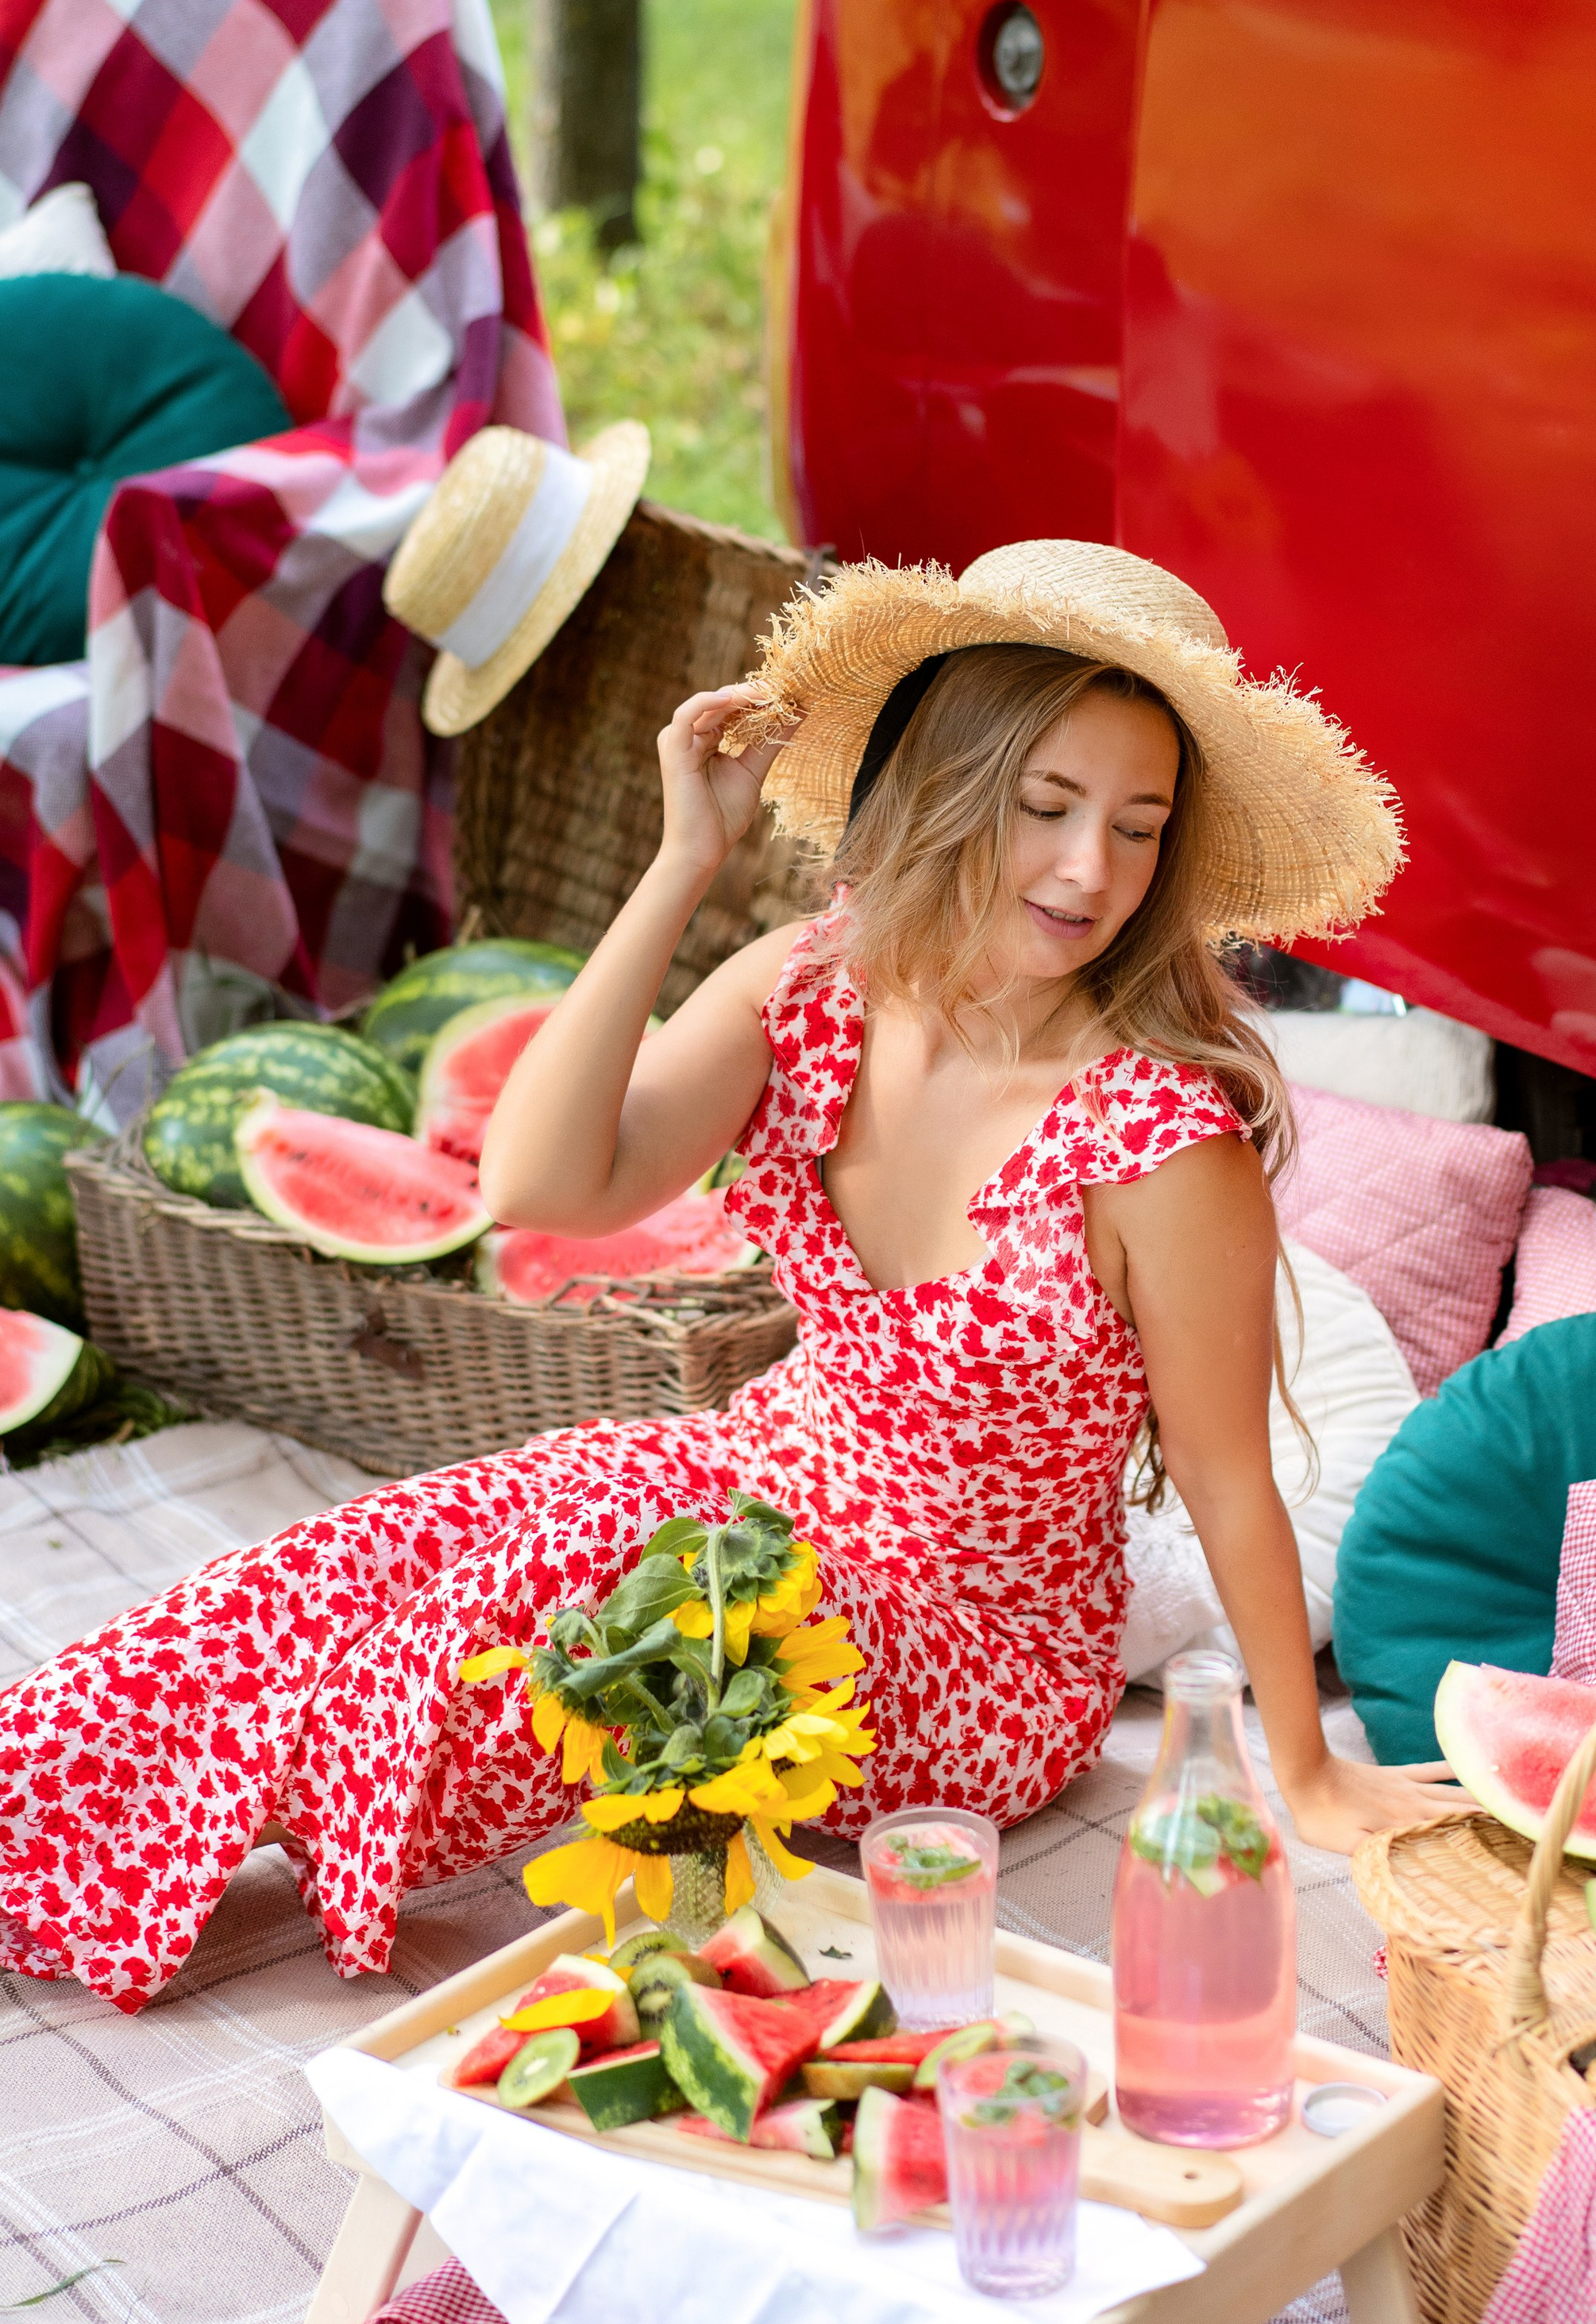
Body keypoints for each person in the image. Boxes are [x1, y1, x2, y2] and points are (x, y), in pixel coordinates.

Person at [0, 540, 1466, 2013]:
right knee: (387, 1549)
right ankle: (40, 1785)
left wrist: (1306, 1768)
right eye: (1046, 806)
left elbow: (1224, 1479)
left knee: (545, 1600)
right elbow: (540, 1185)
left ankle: (149, 1833)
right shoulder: (812, 986)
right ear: (947, 784)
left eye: (1141, 829)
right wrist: (678, 863)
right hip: (754, 1480)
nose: (1093, 869)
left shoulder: (1157, 1141)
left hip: (968, 1649)